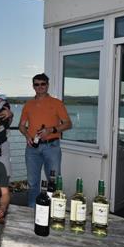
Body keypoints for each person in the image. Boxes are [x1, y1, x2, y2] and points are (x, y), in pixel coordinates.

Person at [18, 73, 72, 207]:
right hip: (32, 148)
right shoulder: (28, 104)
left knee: (54, 182)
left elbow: (68, 124)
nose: (40, 87)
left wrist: (51, 130)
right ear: (33, 86)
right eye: (37, 84)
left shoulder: (57, 103)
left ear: (47, 85)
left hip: (51, 147)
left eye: (43, 84)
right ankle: (32, 211)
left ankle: (54, 211)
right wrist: (27, 136)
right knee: (32, 182)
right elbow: (21, 126)